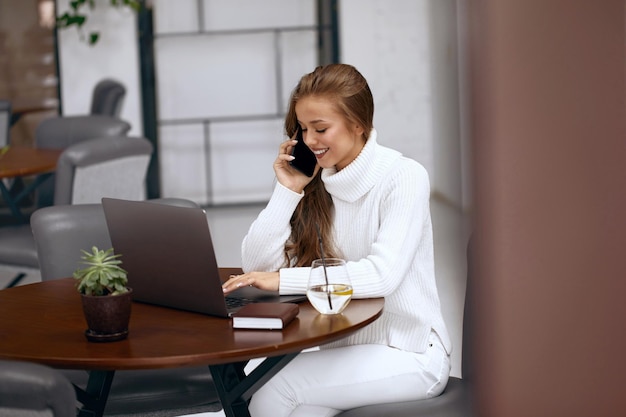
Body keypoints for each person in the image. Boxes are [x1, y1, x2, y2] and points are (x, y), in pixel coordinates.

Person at [222, 63, 452, 417]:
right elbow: (257, 266)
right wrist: (287, 191)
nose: (309, 140)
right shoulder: (316, 182)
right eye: (302, 128)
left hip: (410, 353)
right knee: (280, 400)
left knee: (273, 387)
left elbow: (382, 276)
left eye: (321, 128)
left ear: (358, 124)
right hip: (343, 354)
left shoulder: (404, 177)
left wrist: (285, 280)